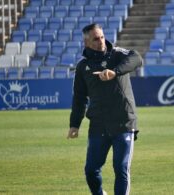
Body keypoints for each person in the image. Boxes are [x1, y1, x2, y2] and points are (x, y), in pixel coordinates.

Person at [67, 23, 143, 195]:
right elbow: (79, 98)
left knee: (121, 168)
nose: (101, 41)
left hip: (123, 122)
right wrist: (74, 124)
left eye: (102, 36)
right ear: (87, 43)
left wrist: (114, 72)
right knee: (91, 170)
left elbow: (137, 57)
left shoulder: (116, 54)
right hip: (98, 125)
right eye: (96, 38)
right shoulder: (82, 67)